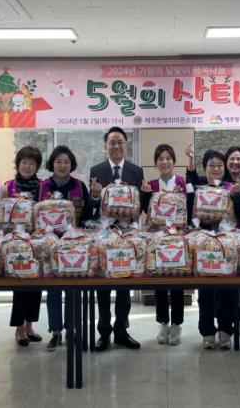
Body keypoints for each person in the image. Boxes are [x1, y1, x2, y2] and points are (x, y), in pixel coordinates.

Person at [89, 127, 144, 351]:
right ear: (106, 146)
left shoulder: (136, 171)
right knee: (103, 286)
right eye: (112, 142)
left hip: (128, 234)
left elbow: (140, 206)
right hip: (104, 234)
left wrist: (133, 211)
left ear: (126, 145)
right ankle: (104, 332)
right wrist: (95, 196)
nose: (117, 146)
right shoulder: (96, 170)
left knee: (124, 285)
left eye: (120, 142)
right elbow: (93, 206)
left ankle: (122, 331)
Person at [38, 145, 92, 351]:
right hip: (50, 244)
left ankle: (71, 329)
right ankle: (55, 332)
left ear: (72, 165)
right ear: (52, 164)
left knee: (73, 291)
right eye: (58, 162)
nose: (62, 165)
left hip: (74, 244)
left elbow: (87, 214)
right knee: (53, 290)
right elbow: (36, 214)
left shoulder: (79, 185)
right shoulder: (44, 186)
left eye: (66, 162)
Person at [140, 144, 190, 346]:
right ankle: (163, 323)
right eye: (160, 158)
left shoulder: (182, 183)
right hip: (157, 238)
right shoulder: (151, 184)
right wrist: (145, 194)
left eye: (168, 158)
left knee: (177, 280)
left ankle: (177, 324)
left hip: (177, 237)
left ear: (174, 161)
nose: (165, 162)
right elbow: (146, 211)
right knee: (159, 281)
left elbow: (189, 207)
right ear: (155, 163)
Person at [188, 149, 238, 350]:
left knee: (227, 290)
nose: (216, 169)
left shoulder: (229, 188)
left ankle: (226, 331)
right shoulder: (199, 187)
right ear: (205, 168)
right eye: (211, 165)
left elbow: (235, 213)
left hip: (225, 243)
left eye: (219, 165)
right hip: (203, 242)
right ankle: (207, 332)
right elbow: (193, 210)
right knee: (205, 292)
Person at [0, 146, 46, 348]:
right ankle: (19, 327)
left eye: (32, 163)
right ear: (18, 164)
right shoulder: (7, 187)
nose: (27, 166)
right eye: (24, 162)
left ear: (37, 166)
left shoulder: (43, 187)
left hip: (36, 241)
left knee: (35, 284)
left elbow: (46, 213)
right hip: (14, 241)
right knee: (19, 285)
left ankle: (30, 325)